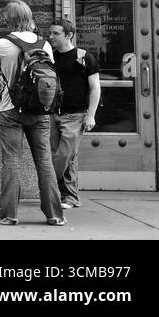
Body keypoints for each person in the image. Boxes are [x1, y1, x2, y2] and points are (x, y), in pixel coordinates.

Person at [0, 0, 65, 226]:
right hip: (40, 111)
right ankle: (55, 215)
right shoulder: (46, 45)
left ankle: (8, 214)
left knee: (11, 161)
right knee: (45, 161)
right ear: (29, 17)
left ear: (7, 19)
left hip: (10, 109)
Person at [48, 18, 101, 210]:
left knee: (64, 155)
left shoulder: (84, 57)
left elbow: (95, 88)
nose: (51, 36)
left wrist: (91, 115)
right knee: (65, 156)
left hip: (76, 114)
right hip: (53, 113)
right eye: (51, 33)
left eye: (56, 33)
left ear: (69, 35)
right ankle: (69, 197)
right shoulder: (51, 57)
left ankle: (47, 183)